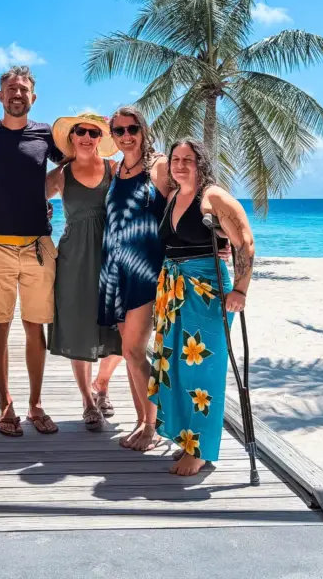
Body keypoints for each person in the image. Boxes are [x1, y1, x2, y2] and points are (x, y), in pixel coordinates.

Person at [0, 65, 65, 437]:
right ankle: (6, 404)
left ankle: (35, 404)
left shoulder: (46, 135)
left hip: (38, 245)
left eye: (23, 89)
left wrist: (46, 193)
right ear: (0, 96)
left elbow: (80, 158)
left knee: (35, 327)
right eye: (10, 89)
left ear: (33, 97)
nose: (17, 94)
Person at [150, 138, 255, 476]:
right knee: (175, 368)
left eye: (188, 160)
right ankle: (186, 439)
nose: (180, 165)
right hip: (173, 290)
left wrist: (240, 289)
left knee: (202, 371)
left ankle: (201, 450)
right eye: (175, 159)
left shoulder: (213, 196)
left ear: (201, 162)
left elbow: (246, 243)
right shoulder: (172, 196)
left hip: (205, 290)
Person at [98, 106, 172, 452]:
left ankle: (152, 426)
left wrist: (215, 237)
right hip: (116, 270)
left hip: (145, 271)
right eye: (119, 131)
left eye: (132, 129)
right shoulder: (116, 170)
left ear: (143, 130)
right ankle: (142, 420)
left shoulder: (158, 167)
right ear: (112, 136)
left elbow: (188, 203)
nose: (126, 136)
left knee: (134, 350)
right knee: (129, 353)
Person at [45, 113, 123, 431]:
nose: (87, 137)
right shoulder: (60, 174)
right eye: (82, 131)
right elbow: (23, 201)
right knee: (79, 328)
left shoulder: (115, 169)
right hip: (73, 258)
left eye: (94, 132)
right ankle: (88, 402)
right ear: (72, 137)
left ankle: (102, 383)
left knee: (122, 330)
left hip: (112, 256)